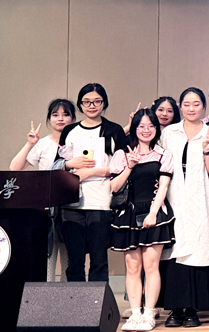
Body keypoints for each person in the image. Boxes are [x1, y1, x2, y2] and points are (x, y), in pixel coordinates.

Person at [110, 108, 176, 332]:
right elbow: (114, 187)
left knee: (151, 266)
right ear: (134, 128)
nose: (146, 130)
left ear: (156, 129)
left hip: (154, 212)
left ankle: (149, 314)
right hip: (128, 214)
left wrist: (153, 213)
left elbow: (164, 186)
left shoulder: (163, 154)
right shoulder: (123, 154)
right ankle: (135, 314)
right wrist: (129, 166)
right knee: (132, 266)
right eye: (141, 126)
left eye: (151, 126)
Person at [160, 87, 209, 327]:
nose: (191, 108)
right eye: (186, 104)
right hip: (174, 198)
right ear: (180, 107)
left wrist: (207, 149)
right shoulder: (169, 132)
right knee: (174, 253)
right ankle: (176, 309)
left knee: (200, 250)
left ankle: (194, 309)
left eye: (196, 104)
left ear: (203, 107)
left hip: (202, 199)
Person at [58, 82, 127, 283]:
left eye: (97, 101)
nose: (91, 106)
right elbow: (58, 164)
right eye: (86, 102)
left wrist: (94, 171)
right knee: (74, 261)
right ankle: (75, 301)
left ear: (104, 103)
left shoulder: (114, 130)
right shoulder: (70, 130)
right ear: (80, 105)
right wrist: (69, 164)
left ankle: (98, 301)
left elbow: (122, 166)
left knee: (99, 260)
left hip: (101, 202)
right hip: (72, 202)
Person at [9, 99, 74, 281]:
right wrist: (30, 143)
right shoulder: (43, 143)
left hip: (72, 207)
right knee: (47, 256)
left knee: (70, 259)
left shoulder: (78, 142)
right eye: (55, 114)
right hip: (47, 208)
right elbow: (14, 168)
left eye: (66, 114)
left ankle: (68, 295)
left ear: (73, 118)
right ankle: (47, 294)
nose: (60, 118)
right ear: (49, 119)